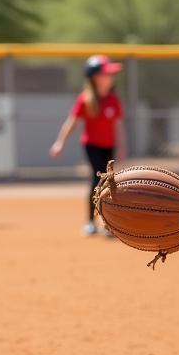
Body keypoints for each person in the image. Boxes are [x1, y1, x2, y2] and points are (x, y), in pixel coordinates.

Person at [49, 54, 127, 235]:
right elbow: (72, 122)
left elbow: (119, 126)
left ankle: (109, 222)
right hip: (92, 145)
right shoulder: (85, 99)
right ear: (95, 78)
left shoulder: (113, 100)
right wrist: (60, 143)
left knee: (110, 184)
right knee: (98, 179)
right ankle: (91, 222)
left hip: (110, 146)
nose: (110, 78)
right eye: (106, 74)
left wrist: (122, 146)